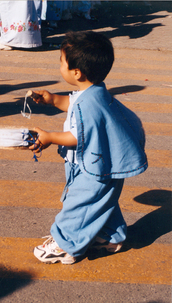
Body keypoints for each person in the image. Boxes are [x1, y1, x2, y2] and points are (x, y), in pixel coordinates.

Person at [30, 31, 148, 265]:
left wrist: (50, 137)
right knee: (102, 203)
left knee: (80, 203)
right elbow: (73, 103)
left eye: (61, 62)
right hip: (103, 162)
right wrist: (53, 99)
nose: (60, 66)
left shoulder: (91, 103)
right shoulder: (95, 92)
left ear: (76, 72)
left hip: (95, 167)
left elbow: (79, 135)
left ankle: (65, 245)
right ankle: (109, 237)